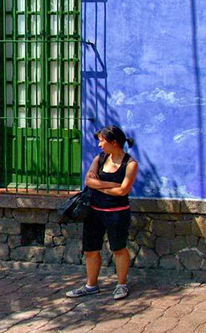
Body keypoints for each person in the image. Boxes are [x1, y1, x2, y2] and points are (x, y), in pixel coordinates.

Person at [67, 125, 139, 301]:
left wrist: (101, 186)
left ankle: (121, 285)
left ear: (113, 142)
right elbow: (88, 181)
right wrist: (111, 185)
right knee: (90, 250)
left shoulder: (130, 164)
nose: (99, 145)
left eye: (102, 141)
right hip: (93, 213)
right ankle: (91, 285)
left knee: (118, 248)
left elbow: (123, 191)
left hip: (117, 213)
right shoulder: (99, 159)